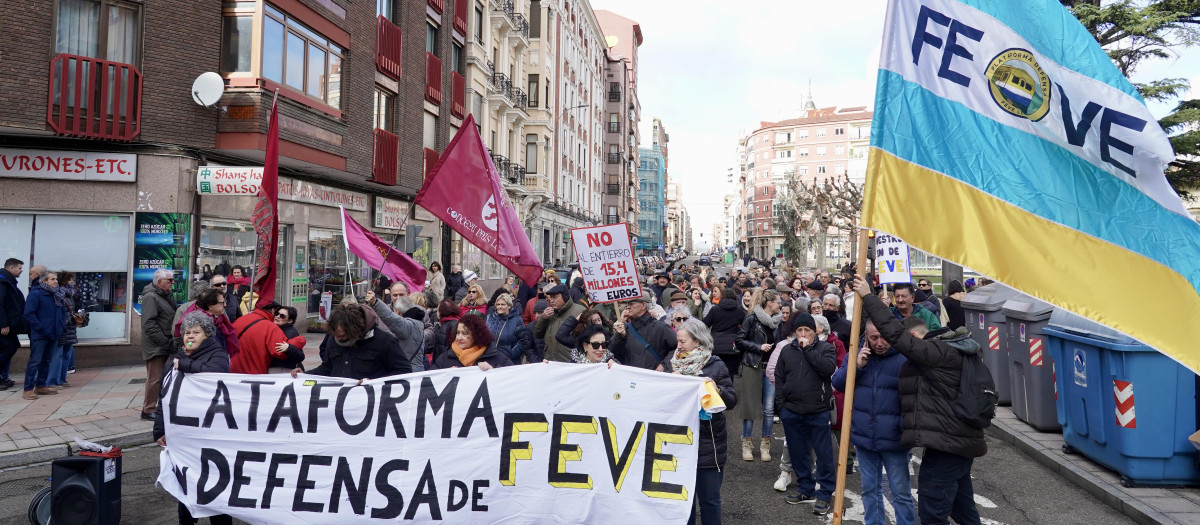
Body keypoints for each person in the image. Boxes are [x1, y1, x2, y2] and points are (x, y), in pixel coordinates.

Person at [852, 276, 986, 525]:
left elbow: (893, 333)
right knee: (963, 509)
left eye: (907, 341)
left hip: (948, 445)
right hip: (958, 443)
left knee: (932, 513)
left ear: (914, 336)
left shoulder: (935, 352)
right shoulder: (952, 346)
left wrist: (868, 296)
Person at [831, 315, 915, 525]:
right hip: (864, 437)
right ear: (866, 337)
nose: (879, 342)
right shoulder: (855, 355)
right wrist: (857, 368)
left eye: (884, 337)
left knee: (901, 493)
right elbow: (838, 384)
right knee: (869, 491)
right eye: (874, 337)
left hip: (895, 438)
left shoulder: (905, 359)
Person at [152, 312, 234, 525]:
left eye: (196, 332)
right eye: (187, 332)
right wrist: (160, 429)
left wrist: (186, 365)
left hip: (210, 433)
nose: (190, 336)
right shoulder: (177, 357)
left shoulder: (217, 354)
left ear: (206, 335)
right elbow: (165, 395)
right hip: (185, 433)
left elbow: (216, 373)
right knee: (186, 481)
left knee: (214, 483)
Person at [667, 318, 737, 525]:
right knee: (683, 501)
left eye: (683, 341)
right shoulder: (670, 363)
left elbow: (732, 400)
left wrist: (718, 390)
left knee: (710, 501)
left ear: (697, 341)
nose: (678, 346)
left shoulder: (715, 365)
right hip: (678, 442)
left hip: (708, 443)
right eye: (678, 341)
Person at [774, 313, 838, 515]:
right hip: (792, 411)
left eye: (807, 330)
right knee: (798, 452)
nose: (802, 334)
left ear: (815, 332)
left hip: (817, 410)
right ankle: (805, 489)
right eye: (799, 330)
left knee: (824, 454)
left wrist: (809, 349)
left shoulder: (825, 348)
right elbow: (779, 377)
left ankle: (825, 493)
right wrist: (781, 407)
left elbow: (827, 369)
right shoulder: (786, 350)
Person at [297, 302, 412, 380]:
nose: (338, 339)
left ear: (356, 330)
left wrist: (373, 382)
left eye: (342, 336)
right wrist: (305, 375)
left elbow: (404, 371)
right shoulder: (333, 340)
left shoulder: (385, 341)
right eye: (335, 335)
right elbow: (327, 368)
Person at [734, 288, 782, 462]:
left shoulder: (778, 322)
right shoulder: (752, 318)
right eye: (778, 302)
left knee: (769, 409)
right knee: (750, 407)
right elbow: (739, 340)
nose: (780, 305)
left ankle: (765, 446)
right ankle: (746, 445)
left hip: (771, 368)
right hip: (752, 365)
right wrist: (758, 347)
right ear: (769, 303)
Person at [22, 272, 68, 400]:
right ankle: (28, 389)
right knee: (35, 361)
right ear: (44, 281)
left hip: (54, 333)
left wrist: (62, 324)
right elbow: (29, 313)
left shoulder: (57, 295)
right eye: (52, 279)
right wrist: (40, 327)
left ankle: (41, 385)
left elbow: (63, 312)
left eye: (56, 279)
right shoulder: (36, 294)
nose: (56, 281)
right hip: (40, 334)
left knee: (47, 361)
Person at [139, 269, 177, 417]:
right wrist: (164, 342)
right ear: (159, 282)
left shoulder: (166, 295)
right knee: (154, 378)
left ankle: (158, 406)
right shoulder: (151, 297)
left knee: (162, 377)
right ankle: (148, 409)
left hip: (165, 342)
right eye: (170, 280)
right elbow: (149, 324)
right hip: (156, 345)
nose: (172, 283)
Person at [611, 288, 677, 369]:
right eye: (627, 304)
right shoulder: (625, 328)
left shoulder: (661, 328)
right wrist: (620, 335)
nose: (627, 307)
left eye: (631, 303)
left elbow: (678, 347)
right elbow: (611, 353)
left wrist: (664, 364)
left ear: (643, 305)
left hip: (654, 378)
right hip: (632, 378)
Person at [431, 312, 512, 370]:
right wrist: (445, 375)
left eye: (464, 333)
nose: (459, 338)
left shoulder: (495, 356)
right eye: (458, 333)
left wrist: (493, 371)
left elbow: (512, 379)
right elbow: (430, 381)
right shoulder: (445, 358)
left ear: (477, 335)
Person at [230, 302, 293, 374]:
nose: (277, 316)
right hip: (254, 374)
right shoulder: (270, 327)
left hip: (232, 371)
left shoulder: (240, 320)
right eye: (277, 313)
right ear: (272, 310)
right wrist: (299, 341)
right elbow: (281, 353)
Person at [47, 271, 82, 390]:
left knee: (66, 354)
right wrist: (65, 321)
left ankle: (62, 379)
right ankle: (54, 380)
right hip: (64, 327)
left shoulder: (71, 294)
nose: (72, 282)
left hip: (70, 327)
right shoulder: (59, 293)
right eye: (70, 280)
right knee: (58, 355)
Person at [535, 284, 585, 363]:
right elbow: (537, 334)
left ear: (564, 297)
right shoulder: (549, 313)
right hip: (550, 362)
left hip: (569, 362)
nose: (551, 301)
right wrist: (543, 318)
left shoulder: (580, 311)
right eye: (550, 298)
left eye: (554, 297)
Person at [486, 293, 537, 364]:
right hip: (491, 360)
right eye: (498, 304)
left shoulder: (517, 320)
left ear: (509, 306)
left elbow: (522, 341)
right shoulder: (490, 318)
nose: (500, 307)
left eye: (503, 304)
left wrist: (511, 354)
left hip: (510, 361)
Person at [0, 258, 27, 391]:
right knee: (10, 346)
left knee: (8, 347)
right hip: (4, 326)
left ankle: (2, 377)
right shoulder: (3, 282)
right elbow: (0, 304)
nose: (21, 271)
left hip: (9, 324)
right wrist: (3, 324)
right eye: (19, 268)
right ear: (11, 268)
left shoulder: (7, 281)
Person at [270, 305, 308, 372]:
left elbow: (300, 356)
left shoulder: (290, 333)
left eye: (282, 316)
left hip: (287, 371)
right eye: (277, 313)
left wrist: (289, 348)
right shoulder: (276, 329)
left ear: (290, 321)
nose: (277, 316)